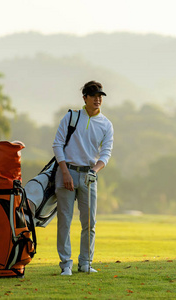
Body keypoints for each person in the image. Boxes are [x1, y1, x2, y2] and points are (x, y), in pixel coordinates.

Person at [52, 80, 114, 276]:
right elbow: (57, 145)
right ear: (84, 98)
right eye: (93, 95)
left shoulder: (106, 124)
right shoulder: (71, 117)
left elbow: (106, 153)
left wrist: (94, 171)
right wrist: (65, 172)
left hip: (89, 175)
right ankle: (65, 264)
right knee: (65, 220)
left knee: (89, 223)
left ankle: (86, 263)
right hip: (66, 173)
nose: (97, 99)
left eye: (100, 96)